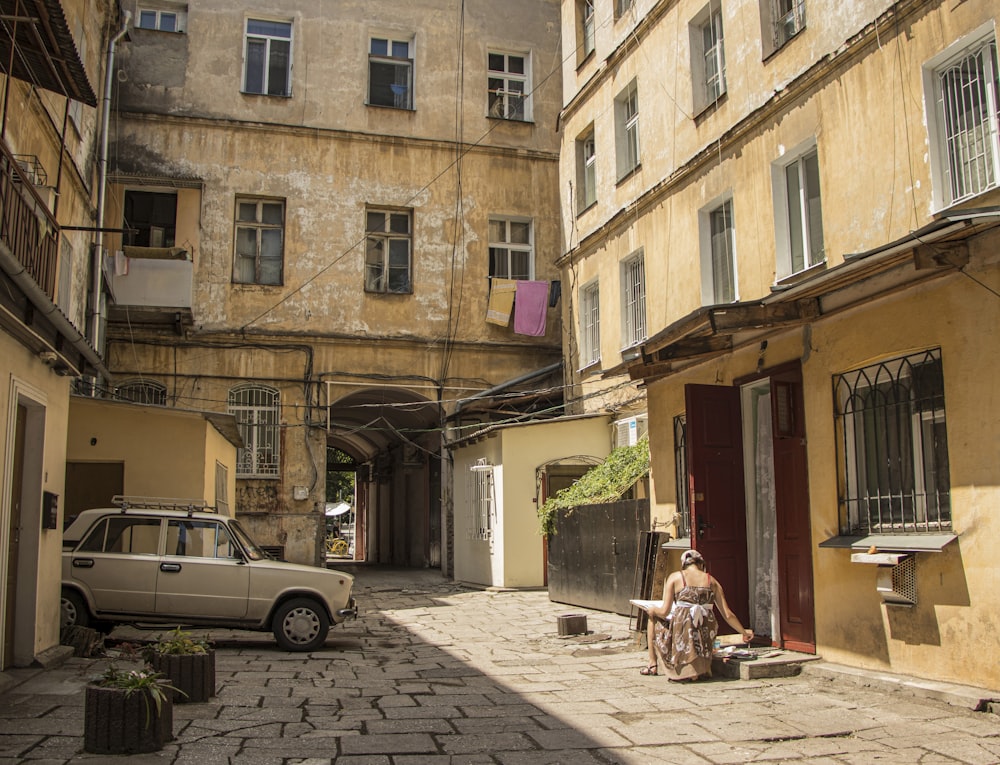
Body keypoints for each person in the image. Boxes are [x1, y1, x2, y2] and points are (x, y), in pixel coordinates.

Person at [640, 549, 754, 680]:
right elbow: (727, 614)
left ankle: (652, 664)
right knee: (698, 625)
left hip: (683, 628)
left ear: (684, 564)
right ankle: (703, 667)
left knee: (653, 617)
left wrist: (653, 610)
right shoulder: (712, 581)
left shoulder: (675, 577)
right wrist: (744, 632)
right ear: (701, 564)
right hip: (706, 628)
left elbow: (664, 611)